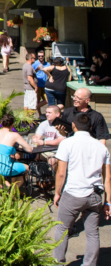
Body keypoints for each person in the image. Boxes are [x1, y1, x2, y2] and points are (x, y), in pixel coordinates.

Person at [52, 114, 111, 266]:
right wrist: (108, 202)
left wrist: (57, 193)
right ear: (90, 127)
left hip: (73, 193)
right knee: (92, 233)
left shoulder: (67, 143)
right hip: (95, 195)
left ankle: (57, 261)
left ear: (73, 125)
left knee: (62, 228)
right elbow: (108, 178)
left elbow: (60, 173)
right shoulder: (101, 147)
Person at [0, 113, 32, 188]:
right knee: (27, 168)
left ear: (2, 123)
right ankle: (13, 191)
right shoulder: (15, 135)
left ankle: (9, 187)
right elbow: (29, 150)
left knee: (12, 161)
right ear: (12, 124)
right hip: (4, 168)